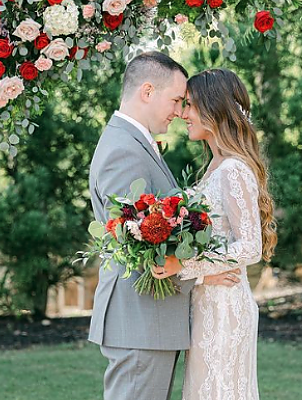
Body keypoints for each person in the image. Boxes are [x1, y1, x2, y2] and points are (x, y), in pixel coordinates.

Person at [88, 53, 240, 400]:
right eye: (175, 99)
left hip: (148, 322)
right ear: (147, 91)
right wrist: (202, 272)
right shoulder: (123, 151)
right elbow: (139, 242)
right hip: (139, 321)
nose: (179, 111)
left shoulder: (132, 143)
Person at [153, 68, 278, 400]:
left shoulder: (234, 169)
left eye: (190, 105)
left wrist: (184, 266)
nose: (183, 114)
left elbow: (250, 247)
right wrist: (200, 276)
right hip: (209, 301)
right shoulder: (215, 167)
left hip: (227, 308)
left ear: (212, 107)